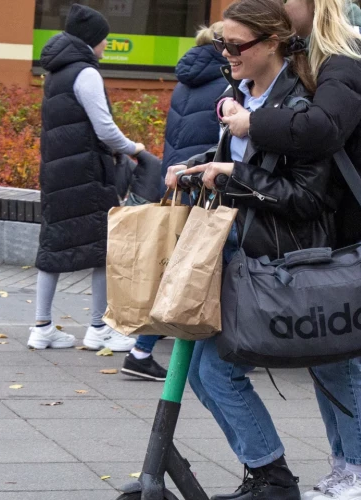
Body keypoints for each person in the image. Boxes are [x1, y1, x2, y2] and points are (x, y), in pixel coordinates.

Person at [218, 0, 361, 497]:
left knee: (338, 350)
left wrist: (249, 124)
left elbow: (321, 131)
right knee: (331, 351)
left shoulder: (349, 52)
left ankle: (357, 475)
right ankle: (348, 471)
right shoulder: (312, 53)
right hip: (358, 222)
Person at [164, 0, 335, 498]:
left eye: (237, 45)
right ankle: (265, 474)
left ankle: (273, 476)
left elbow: (307, 198)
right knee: (199, 372)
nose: (227, 53)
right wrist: (197, 164)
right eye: (223, 42)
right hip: (229, 252)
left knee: (217, 372)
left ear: (273, 43)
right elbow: (235, 159)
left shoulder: (296, 108)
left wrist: (234, 177)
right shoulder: (240, 92)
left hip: (266, 261)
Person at [119, 22, 230, 382]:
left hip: (179, 178)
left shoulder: (186, 79)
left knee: (181, 265)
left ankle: (143, 349)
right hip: (206, 181)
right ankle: (143, 350)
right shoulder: (226, 83)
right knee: (195, 268)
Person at [28, 4, 139, 352]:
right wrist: (133, 147)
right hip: (88, 173)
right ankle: (99, 328)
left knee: (52, 245)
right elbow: (104, 128)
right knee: (104, 250)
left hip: (58, 171)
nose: (106, 46)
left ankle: (41, 327)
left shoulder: (56, 72)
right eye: (104, 40)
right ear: (92, 40)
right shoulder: (86, 73)